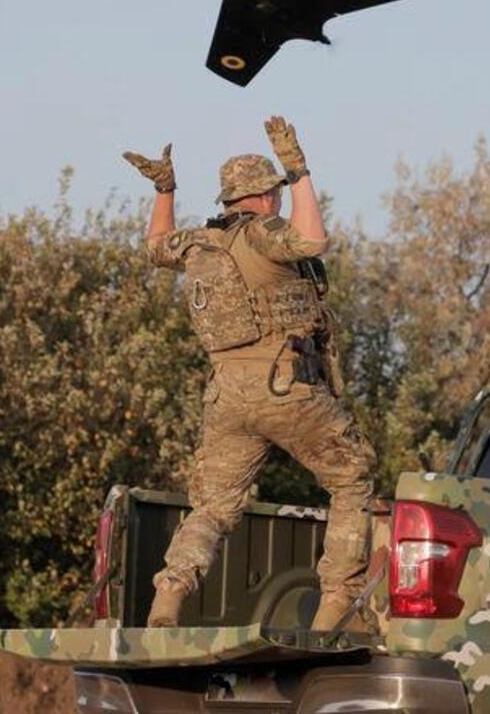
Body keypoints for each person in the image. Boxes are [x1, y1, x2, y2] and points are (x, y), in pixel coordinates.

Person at [122, 116, 375, 631]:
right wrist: (299, 169)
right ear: (261, 197)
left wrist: (165, 188)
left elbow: (153, 245)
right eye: (275, 193)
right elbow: (311, 241)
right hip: (284, 386)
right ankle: (332, 610)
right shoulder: (264, 234)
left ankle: (168, 597)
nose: (278, 199)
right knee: (353, 479)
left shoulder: (198, 244)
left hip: (227, 396)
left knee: (212, 507)